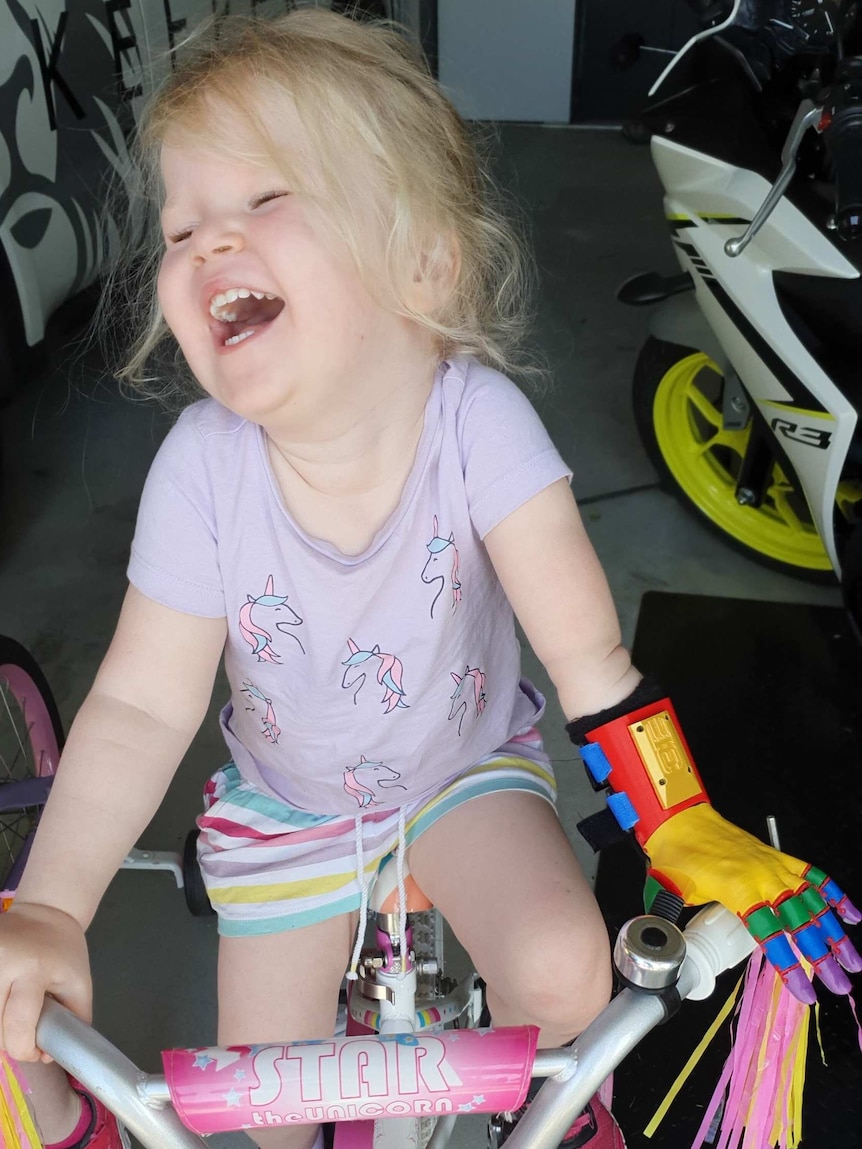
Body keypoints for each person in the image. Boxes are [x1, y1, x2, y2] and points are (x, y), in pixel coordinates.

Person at [0, 11, 858, 1149]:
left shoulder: (476, 423)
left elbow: (587, 657)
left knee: (563, 981)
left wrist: (681, 819)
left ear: (420, 260)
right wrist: (54, 904)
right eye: (179, 225)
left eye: (264, 201)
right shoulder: (200, 468)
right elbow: (145, 704)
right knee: (267, 1102)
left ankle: (552, 1118)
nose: (206, 243)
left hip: (463, 775)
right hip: (286, 812)